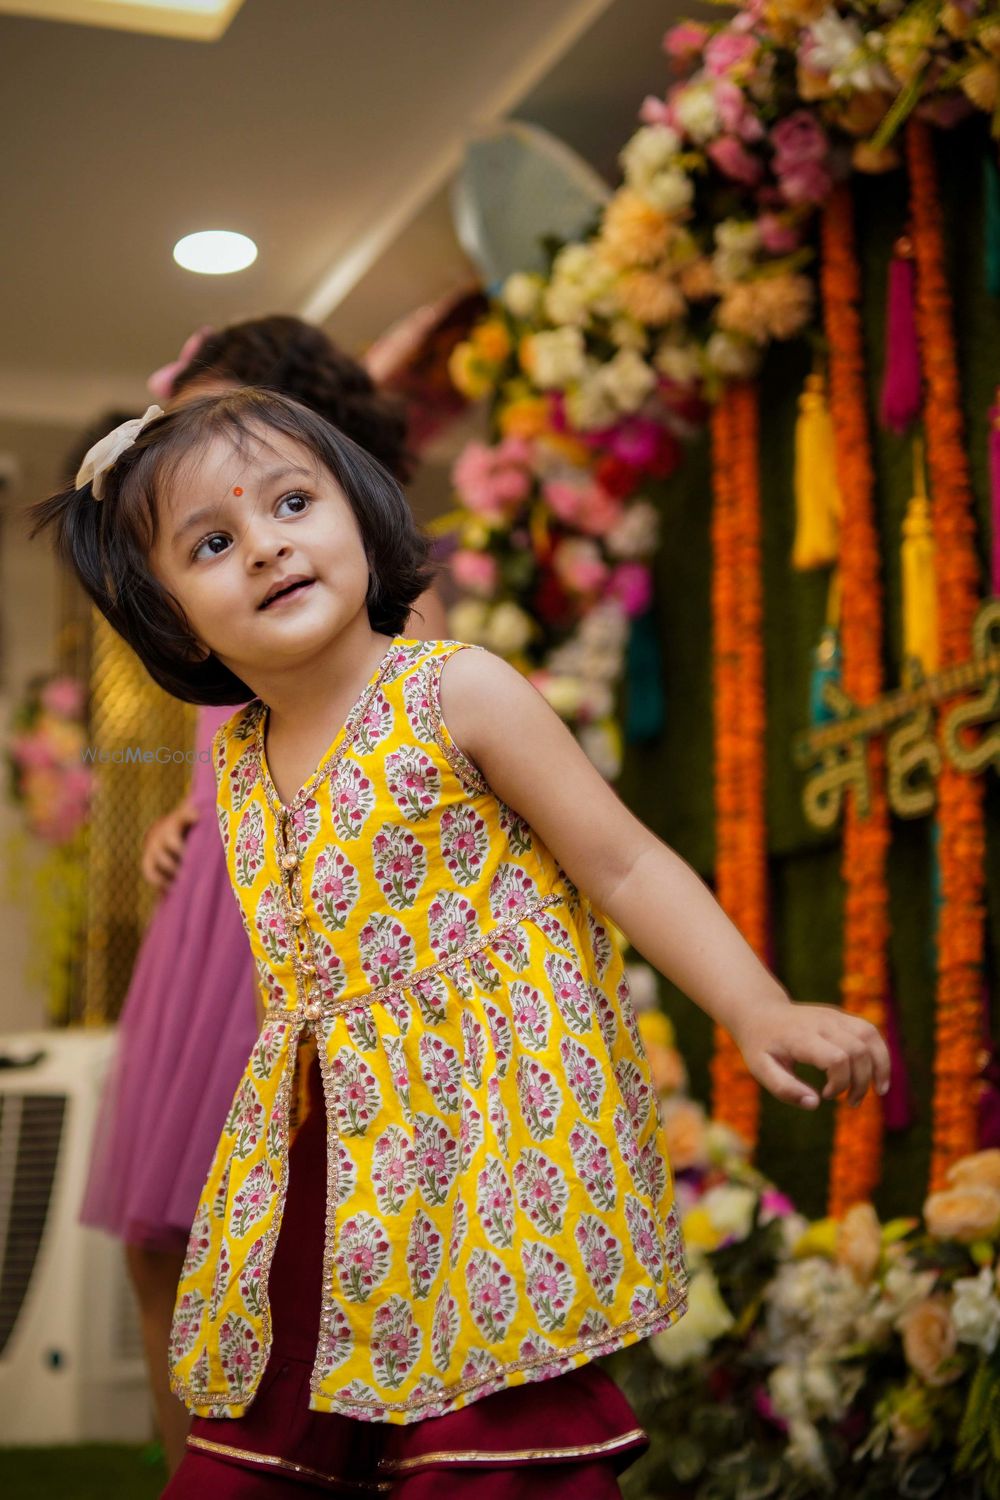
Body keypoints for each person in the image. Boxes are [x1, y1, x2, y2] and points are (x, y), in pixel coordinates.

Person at [32, 389, 890, 1498]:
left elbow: (622, 863)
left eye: (294, 501)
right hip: (327, 1169)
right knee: (268, 1442)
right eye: (212, 542)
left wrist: (756, 1005)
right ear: (171, 617)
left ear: (361, 509)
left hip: (485, 1140)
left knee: (482, 1450)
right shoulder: (235, 766)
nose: (267, 546)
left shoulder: (456, 691)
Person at [77, 318, 445, 1476]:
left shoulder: (365, 579)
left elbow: (403, 746)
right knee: (164, 1247)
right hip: (205, 926)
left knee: (280, 1259)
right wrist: (193, 816)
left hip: (296, 933)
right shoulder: (216, 581)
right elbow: (242, 742)